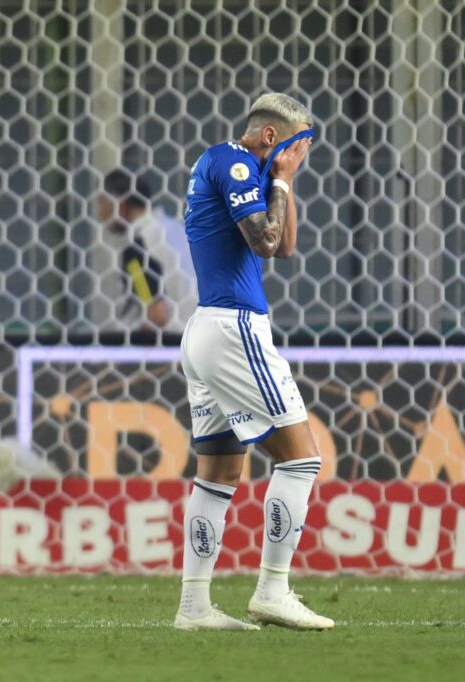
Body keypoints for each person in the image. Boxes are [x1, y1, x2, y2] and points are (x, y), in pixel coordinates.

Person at [173, 93, 333, 631]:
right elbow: (266, 240)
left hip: (206, 330)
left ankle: (194, 607)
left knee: (218, 472)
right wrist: (282, 176)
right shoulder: (233, 162)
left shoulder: (228, 165)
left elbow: (284, 247)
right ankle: (273, 589)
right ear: (270, 137)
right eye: (295, 147)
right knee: (301, 460)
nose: (298, 157)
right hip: (232, 327)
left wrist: (286, 179)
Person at [91, 170, 197, 333]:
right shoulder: (179, 230)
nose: (101, 215)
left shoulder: (135, 251)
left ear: (120, 204)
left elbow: (157, 314)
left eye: (103, 204)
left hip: (173, 346)